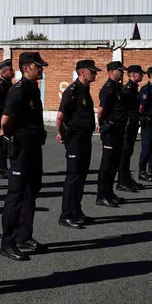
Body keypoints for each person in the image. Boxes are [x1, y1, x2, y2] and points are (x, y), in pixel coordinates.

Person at [0, 52, 49, 262]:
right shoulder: (18, 90)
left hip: (34, 147)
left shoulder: (33, 89)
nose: (41, 69)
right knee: (16, 195)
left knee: (31, 193)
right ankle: (7, 243)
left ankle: (24, 237)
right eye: (38, 66)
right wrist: (16, 138)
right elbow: (5, 122)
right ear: (26, 68)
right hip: (21, 148)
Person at [55, 60, 100, 229]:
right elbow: (60, 117)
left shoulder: (84, 90)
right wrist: (61, 133)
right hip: (75, 138)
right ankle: (66, 215)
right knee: (73, 177)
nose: (95, 73)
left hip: (85, 138)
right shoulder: (72, 91)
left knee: (81, 176)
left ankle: (76, 211)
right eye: (92, 71)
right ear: (82, 72)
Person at [95, 61, 127, 207]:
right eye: (120, 70)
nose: (122, 72)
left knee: (114, 163)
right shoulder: (108, 89)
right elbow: (101, 111)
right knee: (107, 164)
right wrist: (102, 125)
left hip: (118, 129)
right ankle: (102, 195)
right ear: (112, 71)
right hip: (111, 130)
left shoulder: (117, 87)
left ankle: (109, 192)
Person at [117, 65, 145, 192]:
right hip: (127, 125)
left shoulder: (133, 88)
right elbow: (123, 109)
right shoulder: (127, 90)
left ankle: (127, 179)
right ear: (134, 75)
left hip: (132, 124)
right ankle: (122, 181)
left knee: (128, 153)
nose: (142, 75)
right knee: (124, 153)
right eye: (140, 73)